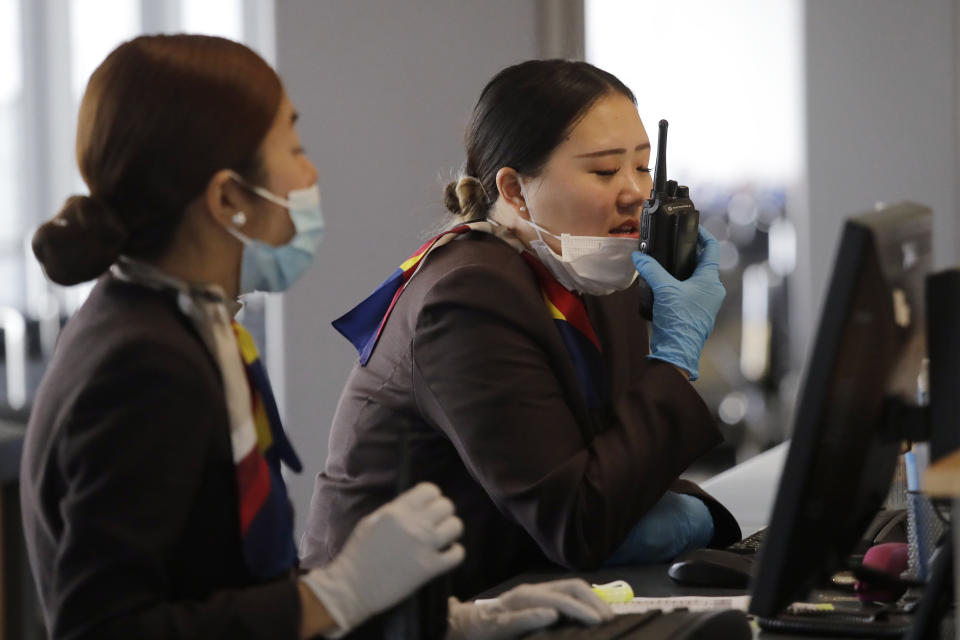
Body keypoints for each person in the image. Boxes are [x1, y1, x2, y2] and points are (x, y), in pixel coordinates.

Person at [20, 37, 612, 640]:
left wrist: (440, 621)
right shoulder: (144, 362)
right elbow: (102, 627)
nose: (311, 172)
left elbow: (227, 585)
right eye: (294, 149)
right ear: (228, 198)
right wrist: (338, 594)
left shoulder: (182, 322)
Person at [302, 59, 742, 598]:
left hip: (512, 579)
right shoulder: (466, 297)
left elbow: (619, 471)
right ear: (513, 190)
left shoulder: (595, 270)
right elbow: (580, 522)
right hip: (389, 611)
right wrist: (673, 360)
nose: (635, 193)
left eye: (643, 167)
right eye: (605, 171)